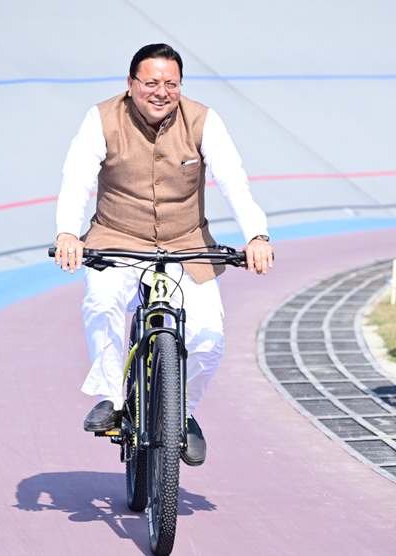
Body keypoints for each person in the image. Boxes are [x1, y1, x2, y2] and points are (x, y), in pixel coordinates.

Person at [54, 44, 273, 466]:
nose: (161, 92)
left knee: (208, 338)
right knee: (101, 302)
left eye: (171, 84)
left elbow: (235, 182)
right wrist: (67, 232)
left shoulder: (204, 120)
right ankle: (111, 397)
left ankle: (182, 411)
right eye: (151, 83)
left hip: (187, 243)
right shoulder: (101, 118)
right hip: (117, 238)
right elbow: (76, 178)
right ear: (131, 84)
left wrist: (257, 236)